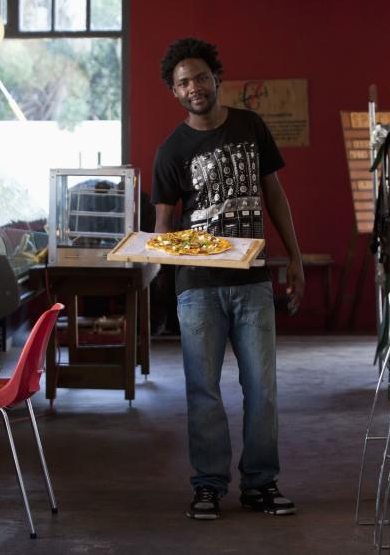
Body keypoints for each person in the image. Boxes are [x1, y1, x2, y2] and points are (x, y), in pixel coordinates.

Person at [151, 37, 304, 520]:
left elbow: (273, 195)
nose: (193, 87)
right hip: (197, 287)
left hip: (253, 282)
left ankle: (261, 483)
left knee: (262, 388)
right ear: (174, 93)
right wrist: (156, 257)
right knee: (203, 389)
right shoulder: (171, 150)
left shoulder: (249, 126)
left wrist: (293, 257)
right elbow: (162, 227)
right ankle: (209, 485)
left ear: (216, 77)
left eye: (199, 77)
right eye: (182, 83)